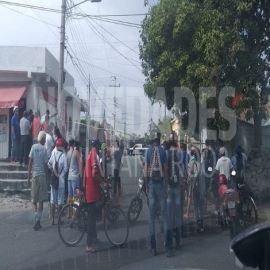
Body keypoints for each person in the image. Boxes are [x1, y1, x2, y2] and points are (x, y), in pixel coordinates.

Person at [144, 127, 172, 258]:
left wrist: (147, 186)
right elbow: (166, 170)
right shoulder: (163, 151)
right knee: (165, 216)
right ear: (159, 138)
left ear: (151, 139)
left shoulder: (148, 152)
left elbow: (145, 171)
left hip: (151, 185)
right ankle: (167, 245)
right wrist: (166, 187)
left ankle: (153, 246)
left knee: (151, 218)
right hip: (161, 185)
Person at [83, 139, 107, 253]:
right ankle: (88, 245)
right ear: (97, 146)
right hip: (92, 192)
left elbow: (85, 173)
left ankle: (94, 237)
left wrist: (84, 186)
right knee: (92, 219)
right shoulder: (93, 156)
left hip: (90, 190)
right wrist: (103, 183)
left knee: (93, 215)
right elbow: (94, 173)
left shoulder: (89, 155)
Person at [27, 131, 48, 230]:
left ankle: (36, 215)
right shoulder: (44, 149)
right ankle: (38, 220)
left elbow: (30, 162)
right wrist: (48, 177)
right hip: (42, 177)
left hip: (35, 176)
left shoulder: (33, 147)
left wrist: (28, 177)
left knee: (33, 200)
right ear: (43, 139)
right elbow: (45, 166)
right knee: (41, 201)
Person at [166, 138, 183, 250]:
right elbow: (182, 170)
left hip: (169, 186)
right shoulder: (179, 154)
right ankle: (178, 239)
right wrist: (182, 184)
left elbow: (165, 169)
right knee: (177, 213)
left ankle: (169, 240)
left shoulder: (166, 154)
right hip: (177, 186)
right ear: (175, 145)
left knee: (168, 214)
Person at [47, 138, 68, 225]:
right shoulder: (63, 156)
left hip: (53, 180)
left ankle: (52, 219)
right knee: (60, 201)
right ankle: (59, 219)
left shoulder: (53, 153)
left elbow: (49, 165)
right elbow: (66, 169)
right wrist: (61, 173)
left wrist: (53, 171)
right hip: (61, 181)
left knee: (52, 200)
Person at [215, 147, 234, 213]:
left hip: (221, 183)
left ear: (220, 153)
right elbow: (232, 170)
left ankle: (221, 211)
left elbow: (216, 170)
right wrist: (230, 175)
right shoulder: (228, 160)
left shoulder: (219, 160)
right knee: (229, 195)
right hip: (228, 181)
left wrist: (219, 175)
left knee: (221, 196)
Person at [184, 145, 198, 219]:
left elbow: (191, 169)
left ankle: (187, 213)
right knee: (195, 197)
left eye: (193, 150)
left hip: (192, 179)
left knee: (190, 197)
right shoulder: (196, 159)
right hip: (195, 179)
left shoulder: (192, 159)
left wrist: (188, 178)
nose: (191, 151)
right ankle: (195, 214)